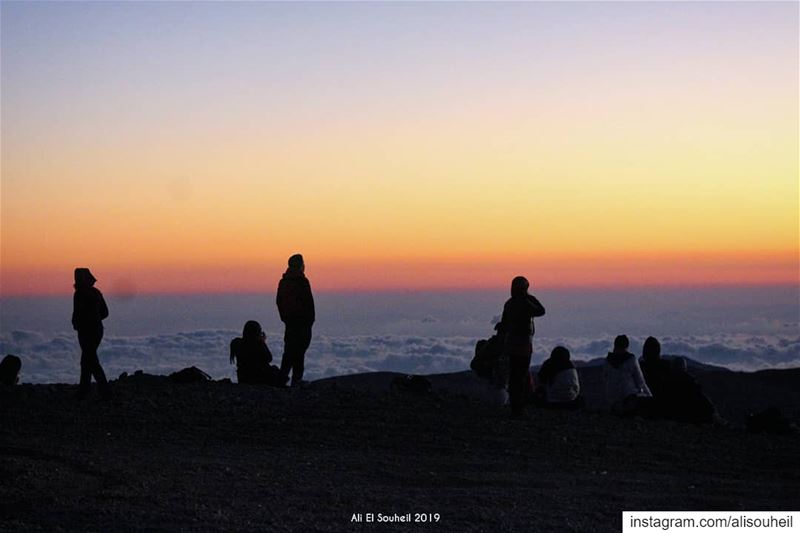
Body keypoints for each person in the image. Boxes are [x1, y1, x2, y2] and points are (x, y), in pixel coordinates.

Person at [500, 276, 545, 417]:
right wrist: (529, 297)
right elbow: (541, 310)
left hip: (511, 344)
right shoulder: (525, 303)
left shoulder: (509, 303)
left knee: (514, 375)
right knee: (521, 374)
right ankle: (519, 407)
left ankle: (515, 405)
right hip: (523, 344)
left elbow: (504, 323)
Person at [72, 268, 111, 399]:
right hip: (97, 330)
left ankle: (103, 390)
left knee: (90, 360)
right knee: (87, 359)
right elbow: (105, 313)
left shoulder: (79, 294)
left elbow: (77, 313)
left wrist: (78, 323)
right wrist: (95, 318)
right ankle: (85, 389)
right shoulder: (97, 293)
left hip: (85, 331)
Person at [276, 254, 315, 387]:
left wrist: (285, 318)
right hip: (302, 323)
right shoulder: (302, 282)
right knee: (299, 353)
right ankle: (296, 381)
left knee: (289, 352)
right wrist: (310, 321)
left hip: (290, 323)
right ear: (300, 265)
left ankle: (282, 379)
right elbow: (309, 303)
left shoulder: (283, 282)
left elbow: (279, 302)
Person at [603, 335, 652, 416]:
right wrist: (649, 395)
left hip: (611, 399)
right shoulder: (631, 360)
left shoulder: (607, 361)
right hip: (628, 397)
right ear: (627, 346)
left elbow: (605, 378)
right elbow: (640, 381)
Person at [230, 320, 287, 386]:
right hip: (258, 378)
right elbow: (269, 358)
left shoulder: (237, 343)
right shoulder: (258, 345)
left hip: (243, 378)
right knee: (275, 370)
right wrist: (262, 342)